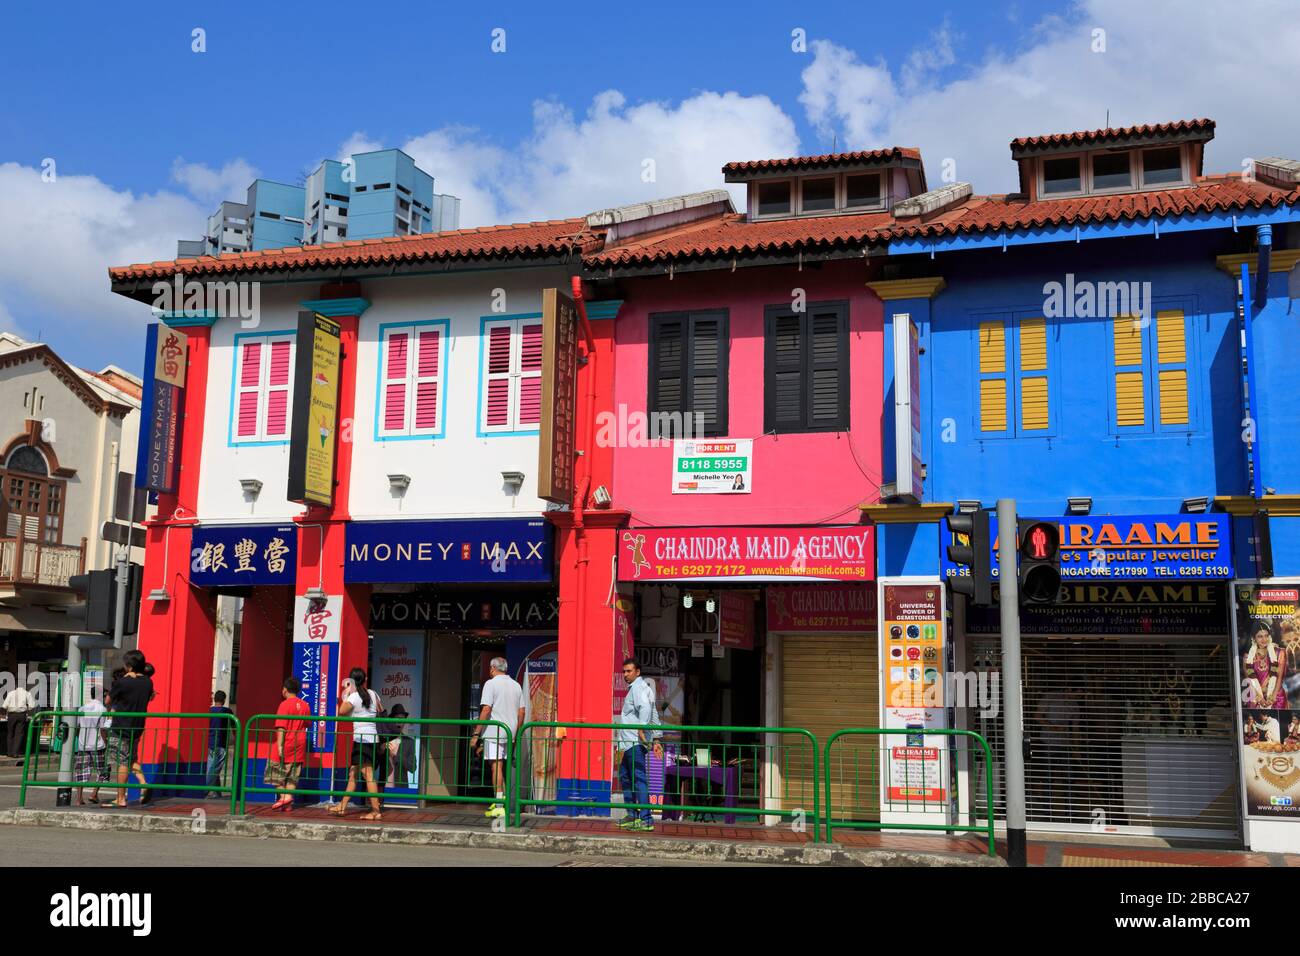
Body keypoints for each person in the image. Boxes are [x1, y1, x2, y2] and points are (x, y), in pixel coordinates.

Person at [470, 657, 524, 819]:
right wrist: (516, 733)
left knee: (496, 767)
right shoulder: (516, 685)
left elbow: (486, 709)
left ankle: (499, 805)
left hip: (494, 731)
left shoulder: (490, 684)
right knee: (502, 768)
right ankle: (501, 801)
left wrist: (476, 734)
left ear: (493, 668)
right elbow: (522, 712)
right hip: (510, 732)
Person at [616, 658, 663, 832]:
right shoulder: (643, 688)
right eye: (624, 671)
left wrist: (642, 728)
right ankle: (632, 815)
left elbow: (645, 709)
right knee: (626, 777)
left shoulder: (638, 688)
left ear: (637, 672)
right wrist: (656, 739)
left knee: (638, 779)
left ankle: (645, 819)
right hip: (630, 743)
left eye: (629, 671)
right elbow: (654, 714)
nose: (625, 674)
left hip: (634, 742)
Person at [332, 667, 383, 820]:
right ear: (365, 679)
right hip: (371, 738)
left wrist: (347, 694)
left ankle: (376, 811)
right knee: (353, 774)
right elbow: (380, 709)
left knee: (368, 775)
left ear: (351, 682)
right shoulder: (373, 693)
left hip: (362, 740)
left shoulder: (354, 696)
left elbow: (342, 711)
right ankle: (342, 806)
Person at [106, 651, 154, 807]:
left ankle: (120, 798)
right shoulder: (148, 682)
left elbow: (108, 700)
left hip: (120, 727)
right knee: (130, 759)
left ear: (130, 667)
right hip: (137, 727)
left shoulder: (122, 682)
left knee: (122, 762)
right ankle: (144, 784)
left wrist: (122, 681)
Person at [266, 677, 310, 812]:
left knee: (273, 773)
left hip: (287, 742)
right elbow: (307, 723)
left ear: (285, 690)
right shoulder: (305, 705)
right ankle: (288, 803)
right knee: (293, 775)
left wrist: (280, 745)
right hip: (300, 743)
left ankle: (285, 797)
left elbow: (281, 727)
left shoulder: (284, 705)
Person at [75, 689, 110, 805]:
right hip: (98, 745)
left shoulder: (82, 708)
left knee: (81, 771)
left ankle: (79, 799)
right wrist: (106, 742)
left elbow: (77, 726)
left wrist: (80, 738)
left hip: (83, 744)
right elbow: (103, 729)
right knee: (102, 770)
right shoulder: (102, 709)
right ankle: (94, 794)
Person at [1244, 623, 1288, 709]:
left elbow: (1279, 678)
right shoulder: (1248, 657)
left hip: (1276, 697)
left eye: (1266, 635)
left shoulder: (1279, 653)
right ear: (1254, 638)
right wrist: (1260, 699)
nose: (1264, 639)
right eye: (1260, 636)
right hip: (1256, 698)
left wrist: (1272, 698)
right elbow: (1249, 680)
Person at [204, 690, 234, 797]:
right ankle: (204, 791)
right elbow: (234, 726)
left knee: (213, 767)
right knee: (214, 769)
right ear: (224, 700)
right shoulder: (227, 711)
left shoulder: (209, 711)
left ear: (214, 699)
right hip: (220, 744)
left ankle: (217, 793)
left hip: (209, 743)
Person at [381, 704, 417, 790]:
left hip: (400, 788)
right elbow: (374, 764)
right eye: (397, 718)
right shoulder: (384, 739)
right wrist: (381, 750)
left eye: (402, 719)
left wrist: (397, 756)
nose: (399, 722)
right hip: (383, 787)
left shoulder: (409, 742)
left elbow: (413, 768)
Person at [3, 678, 37, 758]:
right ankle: (15, 753)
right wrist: (25, 708)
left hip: (12, 715)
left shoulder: (11, 693)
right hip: (22, 715)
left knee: (10, 733)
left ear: (16, 685)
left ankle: (9, 752)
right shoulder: (27, 693)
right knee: (19, 734)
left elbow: (4, 706)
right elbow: (32, 706)